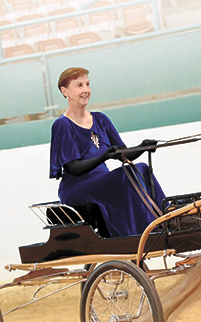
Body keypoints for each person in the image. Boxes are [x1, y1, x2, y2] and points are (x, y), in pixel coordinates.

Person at [49, 66, 165, 237]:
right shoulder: (62, 125)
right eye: (79, 85)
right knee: (125, 175)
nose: (86, 90)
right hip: (77, 188)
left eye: (87, 84)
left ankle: (163, 219)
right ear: (65, 91)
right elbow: (73, 168)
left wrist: (142, 146)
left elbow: (123, 154)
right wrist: (103, 157)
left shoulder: (101, 119)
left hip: (103, 182)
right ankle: (143, 231)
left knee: (142, 168)